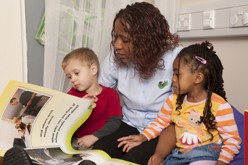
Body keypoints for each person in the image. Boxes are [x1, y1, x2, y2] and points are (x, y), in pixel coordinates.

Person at [118, 41, 242, 165]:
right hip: (180, 155)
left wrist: (221, 162)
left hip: (206, 155)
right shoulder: (173, 101)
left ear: (198, 78)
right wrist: (142, 137)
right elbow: (159, 123)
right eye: (173, 73)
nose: (173, 78)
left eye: (177, 74)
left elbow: (232, 140)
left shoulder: (219, 105)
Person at [92, 2, 182, 164]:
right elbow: (100, 91)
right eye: (116, 38)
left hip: (161, 129)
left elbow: (183, 110)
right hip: (128, 123)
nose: (117, 46)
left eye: (125, 40)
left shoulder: (176, 59)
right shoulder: (116, 57)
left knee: (133, 159)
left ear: (145, 40)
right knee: (98, 153)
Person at [61, 47, 122, 149]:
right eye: (69, 76)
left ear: (93, 69)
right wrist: (80, 107)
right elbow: (65, 122)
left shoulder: (111, 94)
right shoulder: (71, 95)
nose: (73, 79)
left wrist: (94, 137)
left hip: (100, 139)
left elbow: (114, 122)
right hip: (74, 140)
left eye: (76, 73)